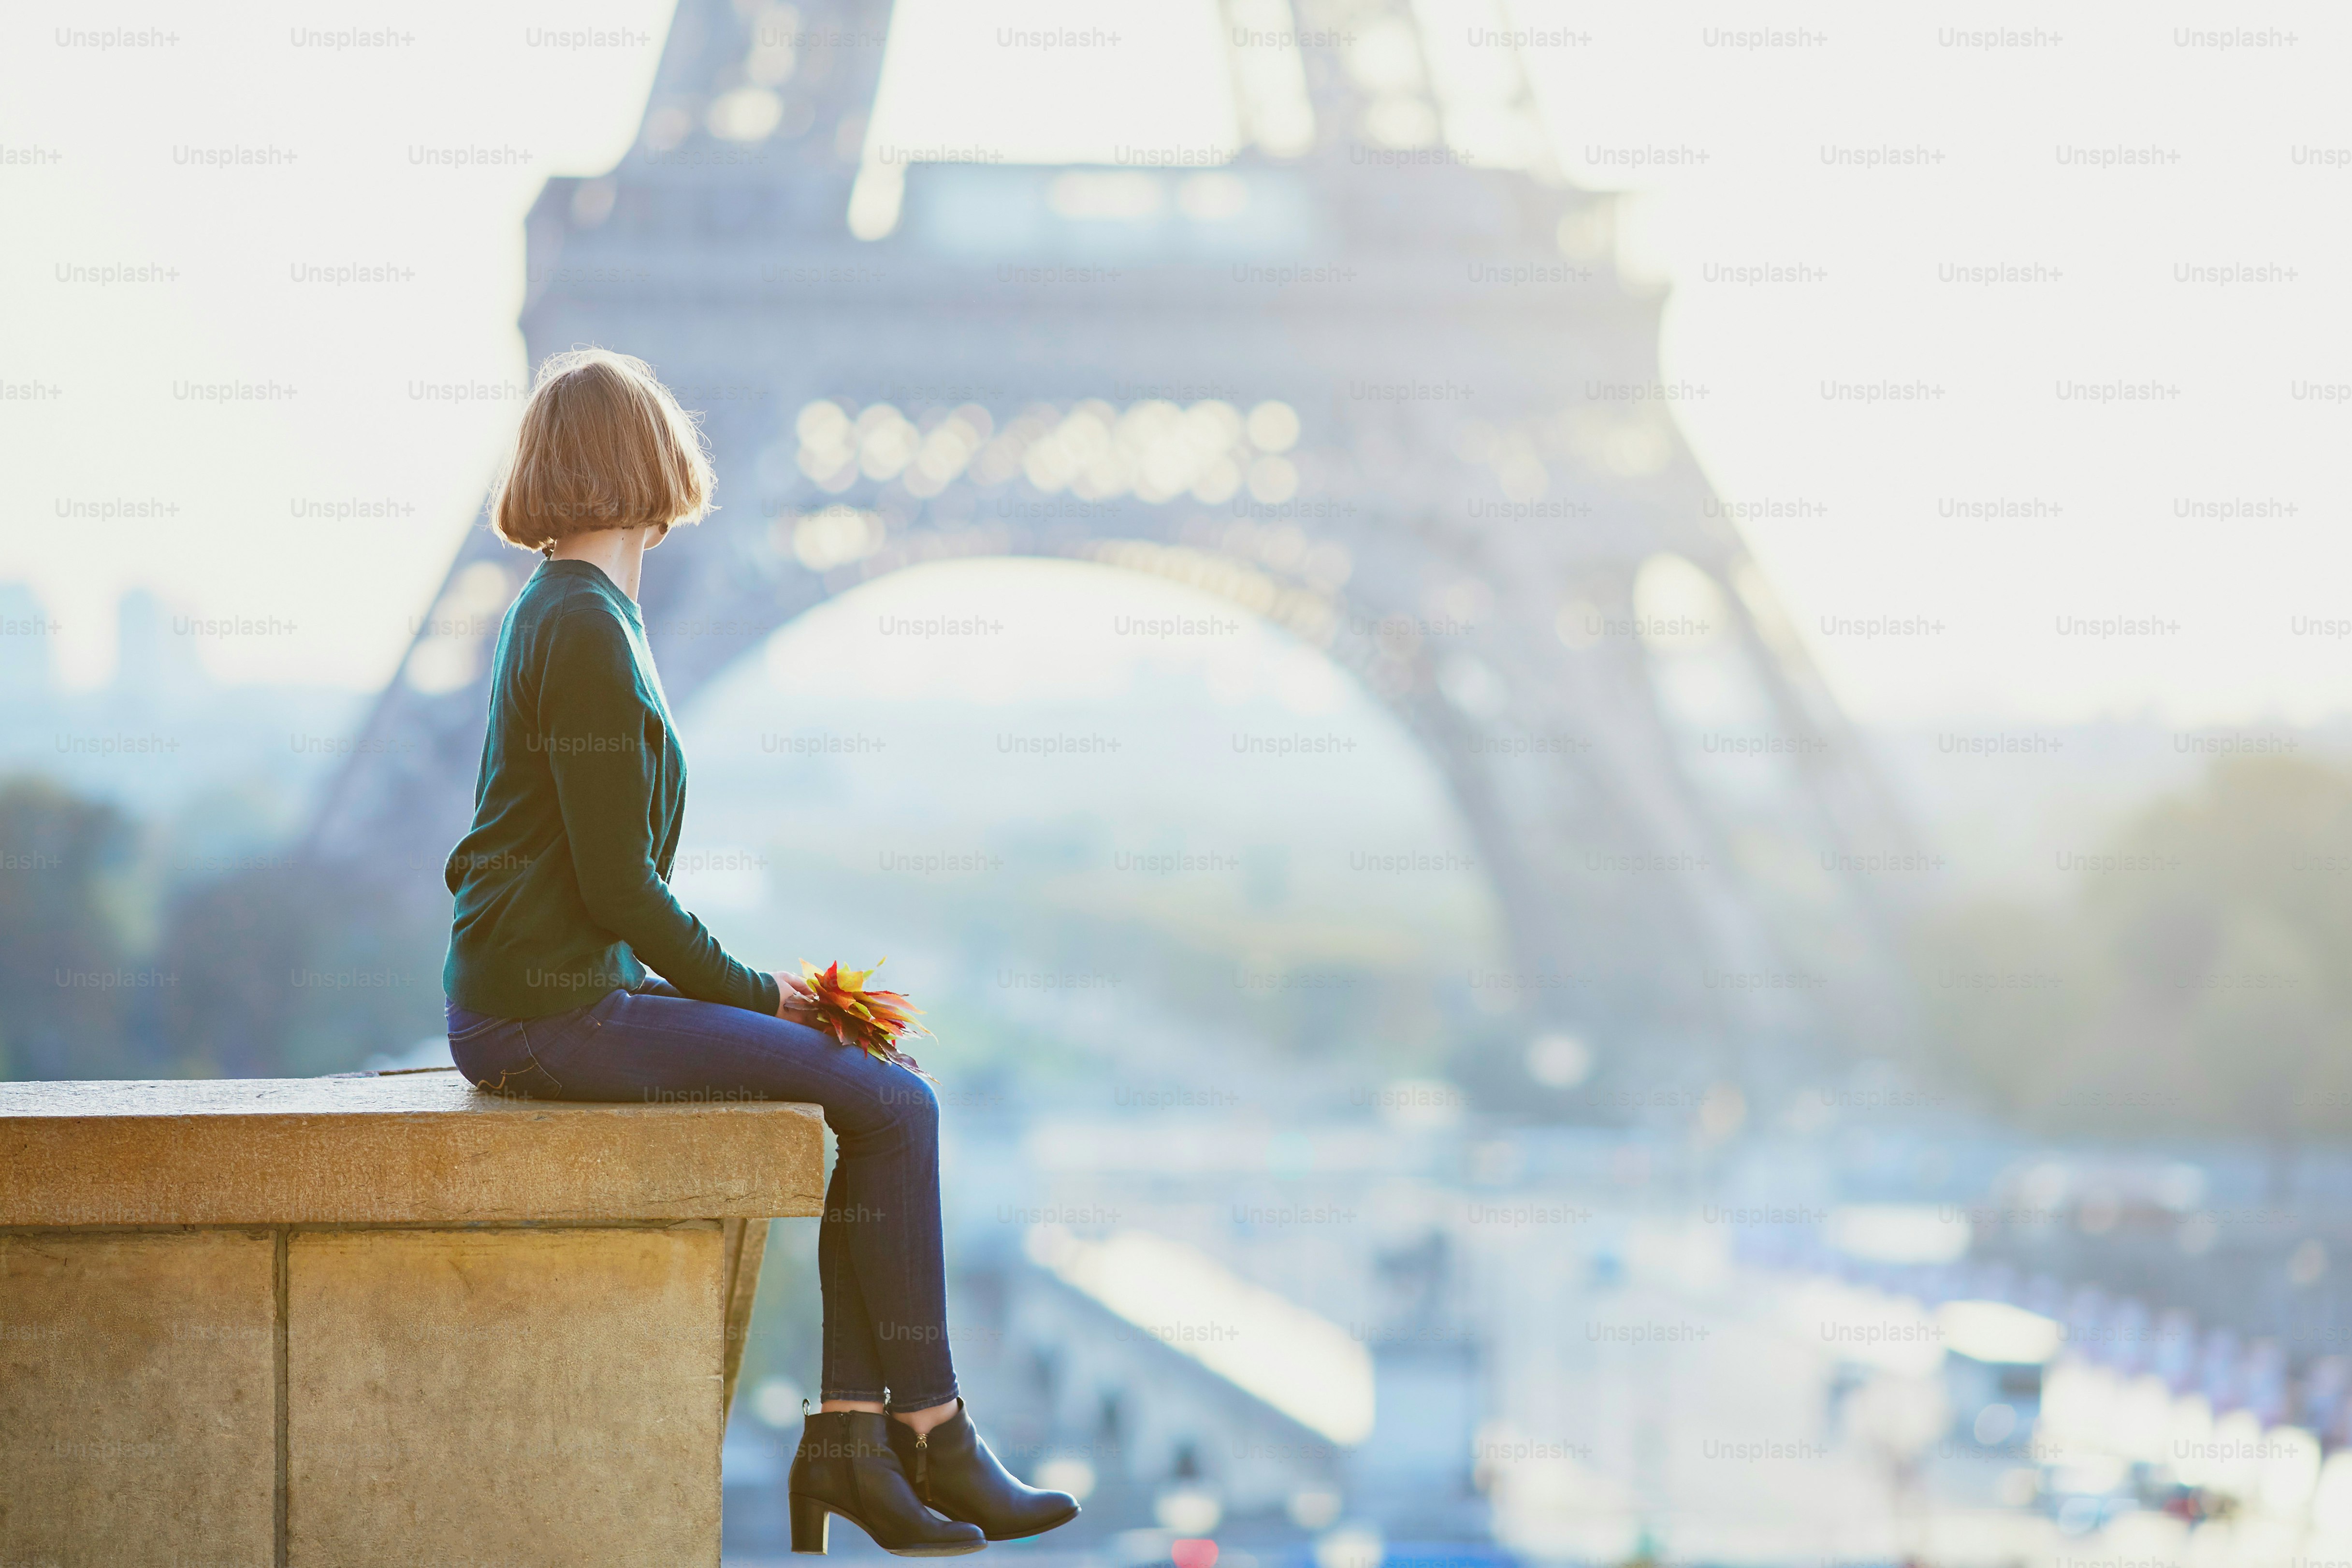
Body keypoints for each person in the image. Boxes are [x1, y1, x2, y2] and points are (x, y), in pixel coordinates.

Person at [439, 348, 1076, 1555]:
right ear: (651, 466)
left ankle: (851, 1439)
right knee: (899, 1106)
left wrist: (765, 996)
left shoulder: (571, 610)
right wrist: (768, 997)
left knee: (882, 1106)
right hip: (552, 1012)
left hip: (555, 993)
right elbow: (619, 885)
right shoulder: (581, 625)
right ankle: (926, 1433)